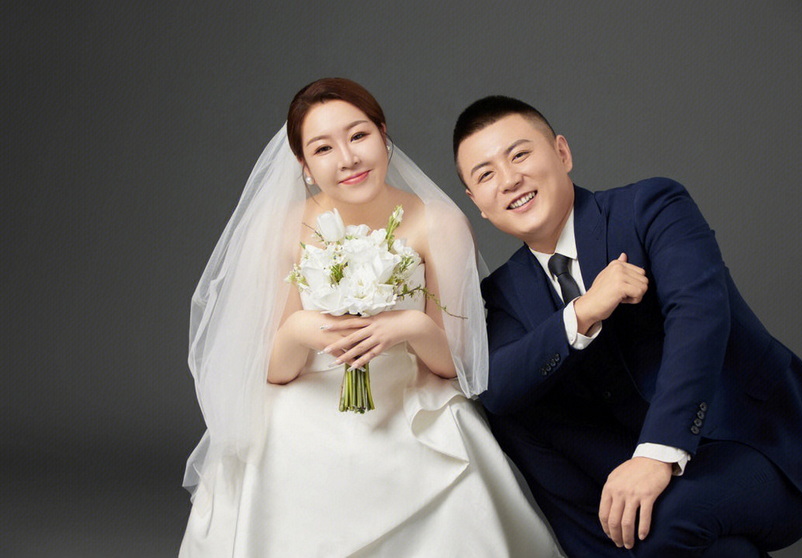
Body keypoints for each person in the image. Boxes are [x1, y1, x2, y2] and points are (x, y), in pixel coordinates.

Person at [179, 79, 562, 557]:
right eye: (323, 148)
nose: (348, 158)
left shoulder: (438, 222)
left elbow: (460, 366)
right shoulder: (282, 228)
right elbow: (276, 371)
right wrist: (299, 330)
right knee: (281, 437)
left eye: (359, 135)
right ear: (304, 166)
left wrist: (411, 327)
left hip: (412, 401)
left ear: (383, 136)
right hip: (308, 400)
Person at [453, 95, 802, 557]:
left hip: (755, 443)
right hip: (631, 477)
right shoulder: (502, 293)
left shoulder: (651, 206)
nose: (509, 180)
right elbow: (496, 389)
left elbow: (699, 317)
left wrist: (658, 452)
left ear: (561, 153)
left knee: (659, 526)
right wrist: (582, 313)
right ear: (477, 203)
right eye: (486, 175)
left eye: (519, 155)